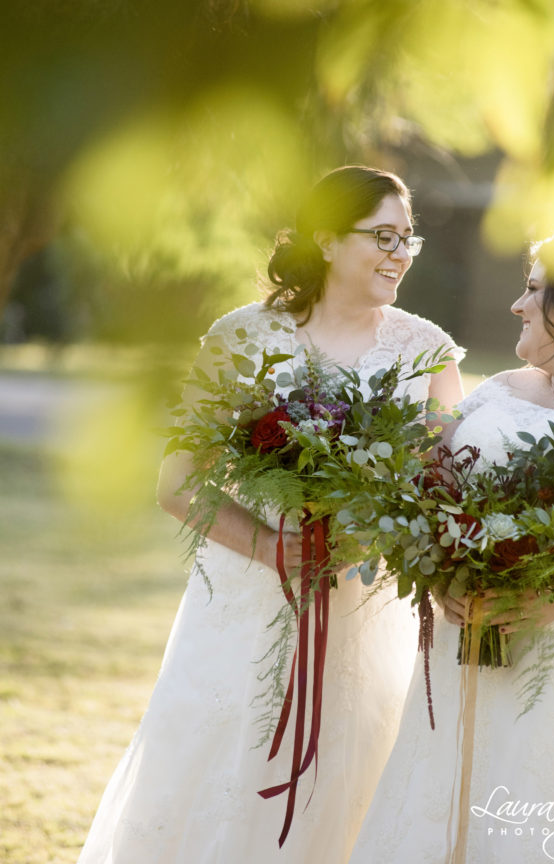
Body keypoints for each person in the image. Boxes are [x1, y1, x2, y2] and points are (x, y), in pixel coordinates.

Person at [77, 165, 465, 864]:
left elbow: (442, 489)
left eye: (408, 239)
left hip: (362, 609)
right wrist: (270, 547)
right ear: (323, 238)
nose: (399, 253)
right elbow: (177, 482)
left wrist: (371, 528)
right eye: (382, 235)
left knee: (350, 768)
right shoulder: (239, 338)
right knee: (220, 759)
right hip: (242, 603)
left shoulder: (426, 350)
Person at [350, 232, 554, 864]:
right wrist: (443, 575)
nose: (517, 305)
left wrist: (552, 605)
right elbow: (430, 495)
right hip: (473, 652)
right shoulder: (499, 388)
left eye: (533, 289)